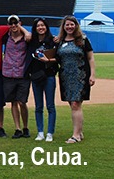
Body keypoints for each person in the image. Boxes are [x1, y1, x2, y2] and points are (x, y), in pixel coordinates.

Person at [56, 15, 96, 144]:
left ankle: (76, 135)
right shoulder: (60, 41)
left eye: (72, 24)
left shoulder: (83, 40)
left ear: (76, 25)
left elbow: (90, 58)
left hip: (80, 76)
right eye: (67, 24)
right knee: (72, 104)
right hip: (65, 77)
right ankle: (79, 131)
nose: (69, 27)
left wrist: (92, 75)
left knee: (75, 104)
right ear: (64, 26)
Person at [27, 17, 58, 142]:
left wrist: (49, 60)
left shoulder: (52, 40)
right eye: (38, 26)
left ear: (46, 27)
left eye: (43, 25)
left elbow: (59, 57)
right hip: (35, 77)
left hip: (49, 75)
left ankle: (50, 132)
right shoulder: (31, 41)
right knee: (38, 106)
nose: (40, 28)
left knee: (50, 106)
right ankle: (40, 132)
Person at [2, 15, 31, 139]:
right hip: (8, 73)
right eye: (11, 23)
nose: (13, 26)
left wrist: (21, 28)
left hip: (22, 73)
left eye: (16, 23)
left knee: (22, 102)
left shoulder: (26, 37)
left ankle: (25, 127)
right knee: (13, 102)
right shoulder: (5, 37)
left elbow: (30, 36)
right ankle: (17, 128)